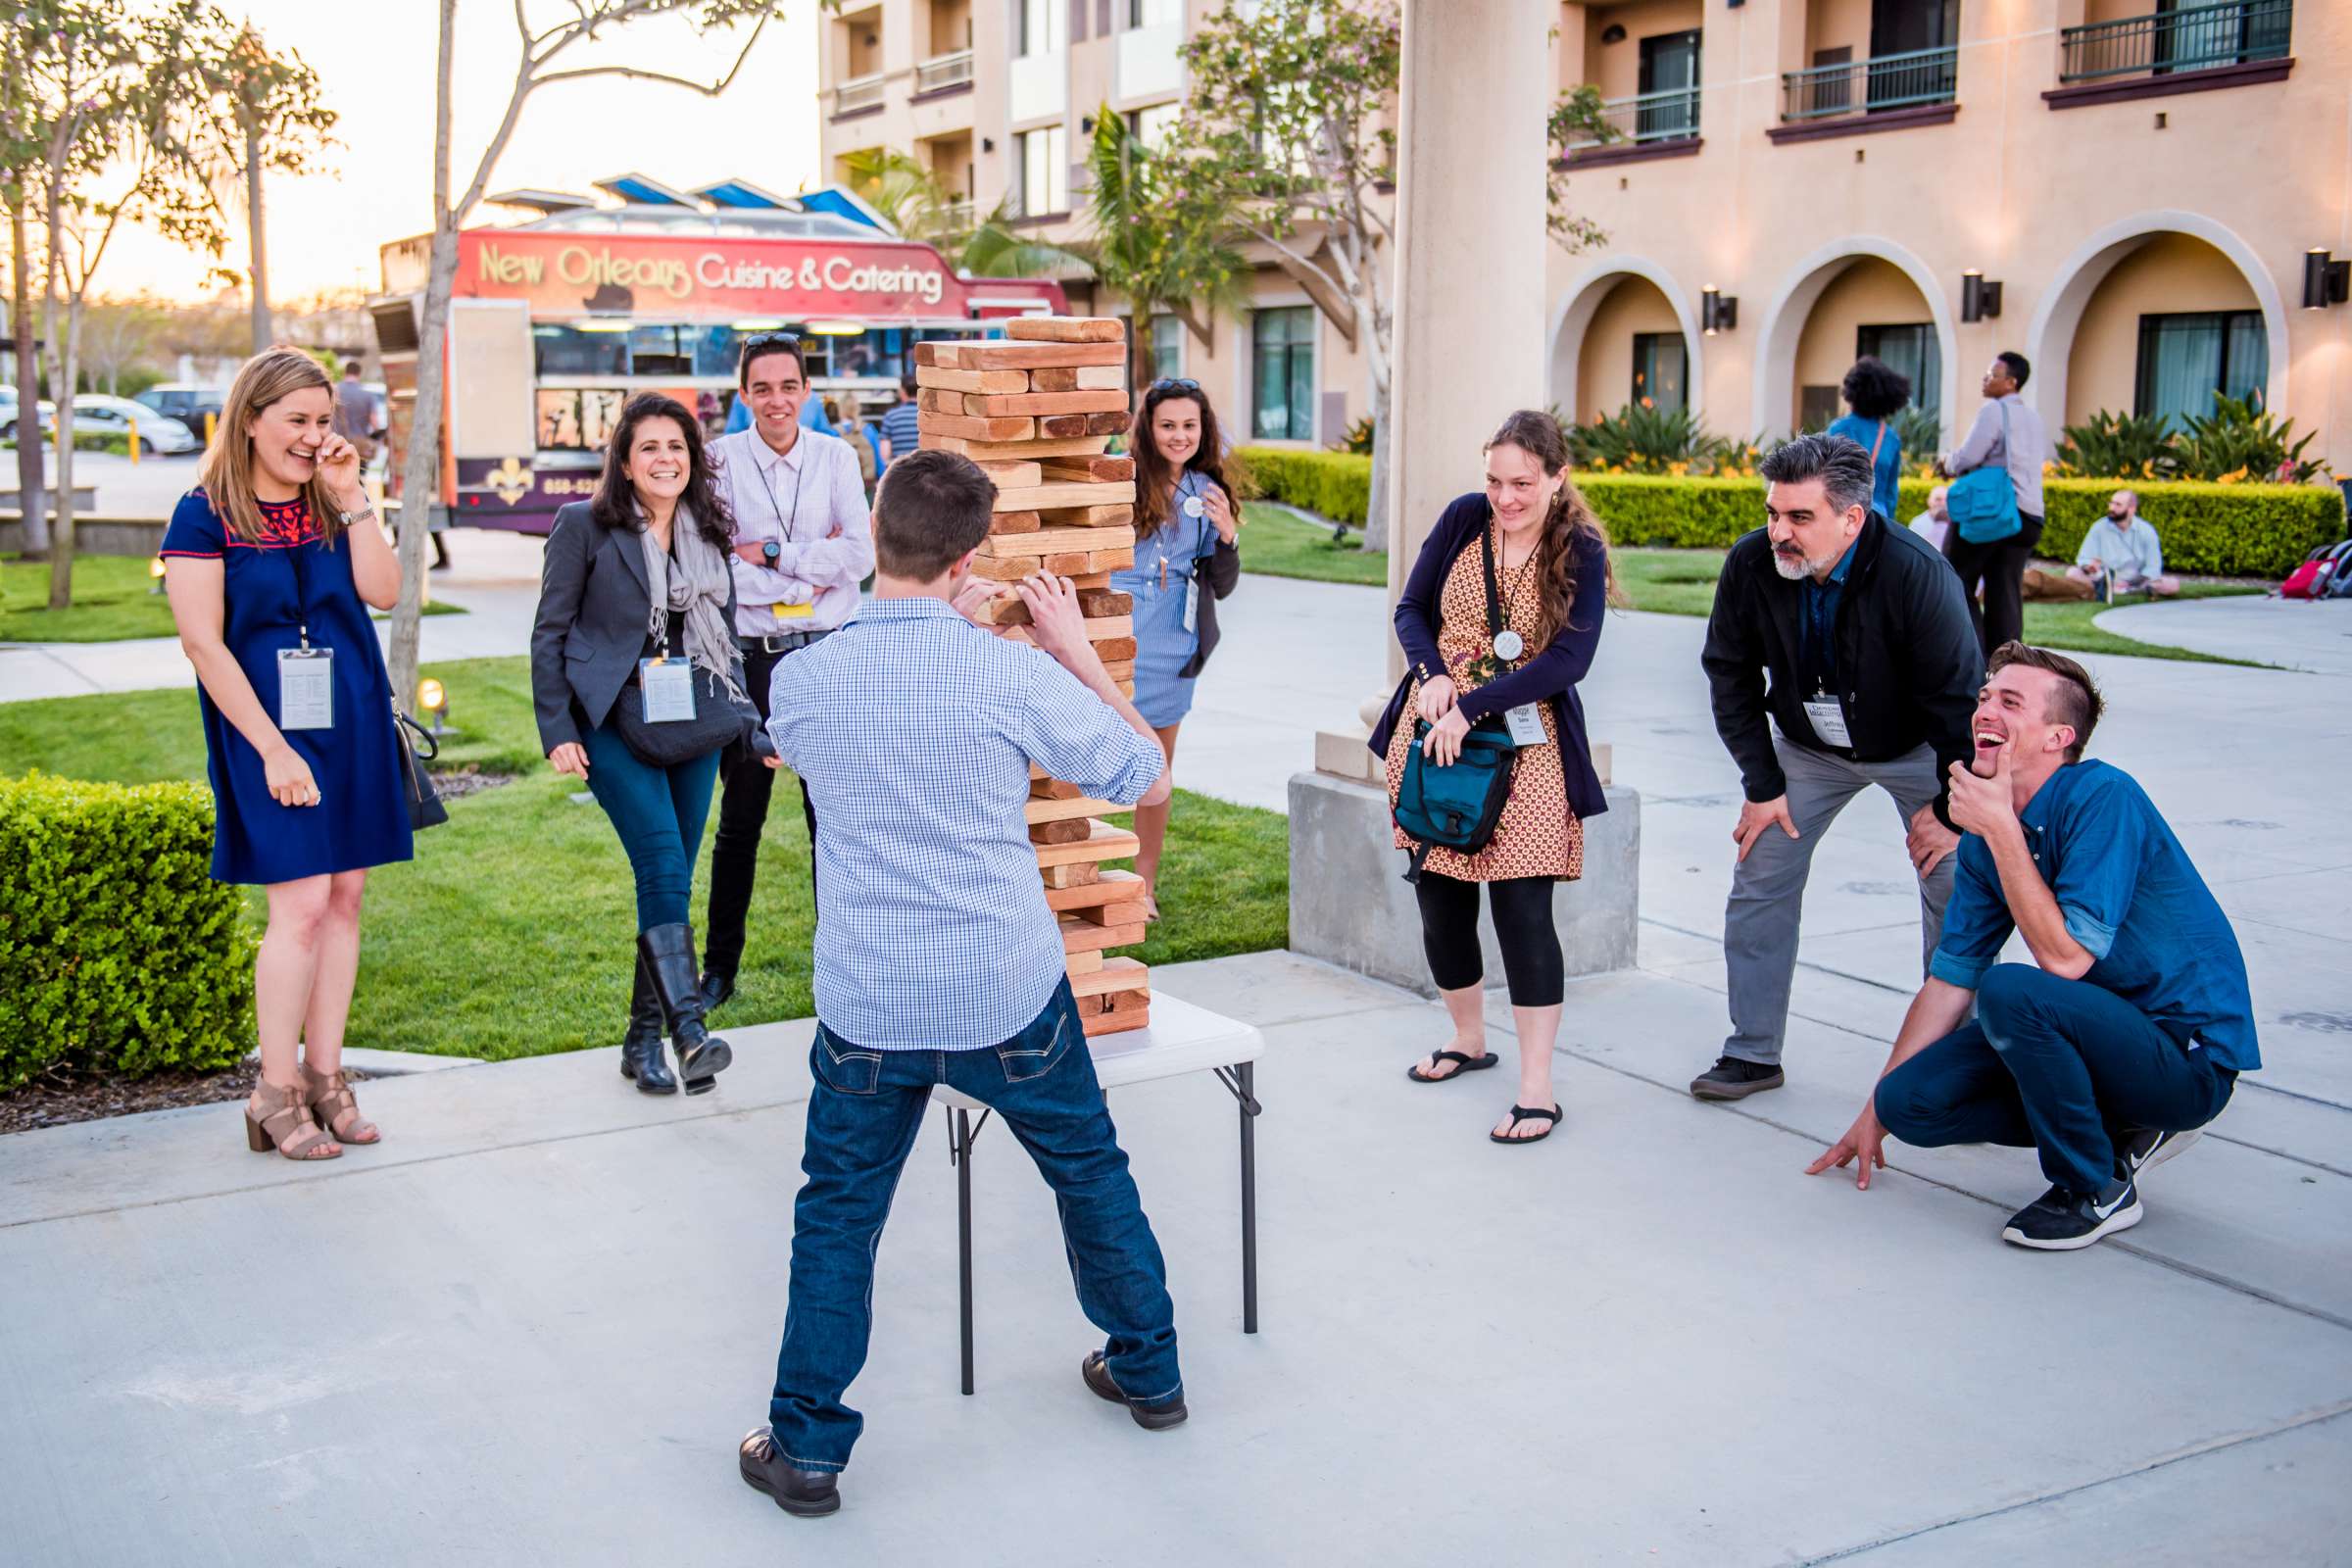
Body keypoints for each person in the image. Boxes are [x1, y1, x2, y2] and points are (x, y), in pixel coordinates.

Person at [738, 449, 1182, 1519]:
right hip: (1003, 985)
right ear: (972, 554)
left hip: (871, 997)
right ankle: (1151, 1371)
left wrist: (947, 614)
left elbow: (812, 736)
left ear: (875, 531)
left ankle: (806, 1450)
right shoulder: (1010, 671)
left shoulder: (800, 680)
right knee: (1089, 1171)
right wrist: (1069, 647)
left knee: (838, 1215)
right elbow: (1144, 774)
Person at [1810, 644, 2256, 1250]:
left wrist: (1996, 827)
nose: (1986, 709)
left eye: (2011, 702)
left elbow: (2066, 960)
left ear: (2057, 737)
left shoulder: (2103, 796)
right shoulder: (1982, 843)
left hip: (2186, 1059)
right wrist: (1873, 1113)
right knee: (1910, 1101)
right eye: (1986, 697)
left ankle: (2096, 1187)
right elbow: (1948, 982)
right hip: (2101, 1038)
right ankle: (2121, 1128)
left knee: (2013, 990)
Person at [161, 346, 411, 1161]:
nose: (312, 437)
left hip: (353, 720)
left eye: (322, 420)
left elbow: (384, 592)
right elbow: (204, 644)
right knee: (299, 905)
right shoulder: (203, 514)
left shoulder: (333, 500)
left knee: (345, 899)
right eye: (296, 421)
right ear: (252, 419)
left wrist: (353, 497)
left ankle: (327, 1077)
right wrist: (271, 749)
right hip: (265, 733)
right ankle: (275, 1090)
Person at [1691, 432, 1981, 1102]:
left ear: (1852, 518)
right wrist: (1762, 787)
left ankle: (1956, 1067)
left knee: (1956, 885)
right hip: (1809, 751)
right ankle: (1753, 1052)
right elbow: (1728, 674)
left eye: (1799, 518)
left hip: (1919, 753)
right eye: (1772, 513)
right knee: (1760, 870)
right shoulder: (1752, 565)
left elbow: (1960, 706)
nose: (1778, 533)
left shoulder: (1918, 574)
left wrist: (1947, 813)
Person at [1371, 410, 1614, 1146]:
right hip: (1435, 730)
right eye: (1495, 480)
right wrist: (1435, 675)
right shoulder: (1462, 520)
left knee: (1522, 915)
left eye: (1523, 483)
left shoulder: (1581, 549)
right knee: (1441, 900)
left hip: (1524, 745)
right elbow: (1411, 610)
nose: (1506, 497)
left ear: (1556, 477)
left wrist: (1471, 705)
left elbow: (1569, 661)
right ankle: (1469, 1040)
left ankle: (1537, 1087)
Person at [531, 392, 745, 1097]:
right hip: (607, 718)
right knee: (658, 857)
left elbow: (728, 640)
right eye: (649, 447)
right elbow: (550, 631)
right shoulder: (583, 526)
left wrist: (748, 721)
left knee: (670, 880)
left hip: (691, 718)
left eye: (677, 446)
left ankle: (639, 1041)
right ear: (624, 461)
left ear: (693, 458)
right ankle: (688, 1032)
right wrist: (557, 728)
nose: (664, 459)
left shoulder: (708, 533)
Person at [699, 335, 874, 1011]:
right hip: (749, 663)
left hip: (826, 654)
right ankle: (719, 970)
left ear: (807, 392)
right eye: (762, 388)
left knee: (830, 819)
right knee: (739, 821)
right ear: (744, 395)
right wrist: (808, 562)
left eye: (788, 386)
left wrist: (769, 554)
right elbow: (716, 568)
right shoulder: (715, 461)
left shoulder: (835, 458)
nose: (776, 400)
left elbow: (858, 558)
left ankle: (850, 962)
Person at [1113, 376, 1243, 921]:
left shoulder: (1208, 490)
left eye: (1189, 425)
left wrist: (1229, 534)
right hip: (1115, 646)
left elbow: (1224, 584)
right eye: (1167, 425)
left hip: (1174, 648)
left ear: (1203, 429)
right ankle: (1070, 877)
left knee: (1157, 772)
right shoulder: (1121, 481)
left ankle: (1144, 885)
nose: (1179, 435)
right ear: (1148, 428)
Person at [1941, 351, 2053, 656]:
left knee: (1955, 579)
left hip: (1995, 513)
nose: (1985, 379)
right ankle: (2007, 662)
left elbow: (1969, 456)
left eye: (1993, 374)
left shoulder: (1994, 411)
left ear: (2011, 383)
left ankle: (1970, 655)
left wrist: (1947, 463)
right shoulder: (2034, 418)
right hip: (2029, 518)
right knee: (2005, 591)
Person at [1826, 355, 1910, 525]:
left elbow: (1821, 477)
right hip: (1877, 518)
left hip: (1841, 516)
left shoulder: (1838, 429)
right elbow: (1891, 493)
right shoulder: (1891, 438)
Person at [2069, 489, 2180, 599]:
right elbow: (2083, 559)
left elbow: (2153, 567)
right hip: (2104, 578)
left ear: (2131, 509)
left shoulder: (2146, 531)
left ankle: (2128, 589)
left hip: (2137, 580)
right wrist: (2089, 567)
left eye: (2118, 505)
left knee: (2172, 585)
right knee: (2073, 573)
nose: (2112, 508)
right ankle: (2111, 587)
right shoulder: (2099, 527)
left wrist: (2134, 582)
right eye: (2111, 503)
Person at [876, 371, 921, 467]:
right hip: (925, 469)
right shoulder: (927, 416)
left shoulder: (891, 416)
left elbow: (885, 455)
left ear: (902, 391)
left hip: (900, 471)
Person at [1908, 483, 1950, 553]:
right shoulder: (1917, 523)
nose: (1943, 503)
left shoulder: (1956, 523)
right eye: (1938, 499)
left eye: (1946, 500)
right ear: (1929, 501)